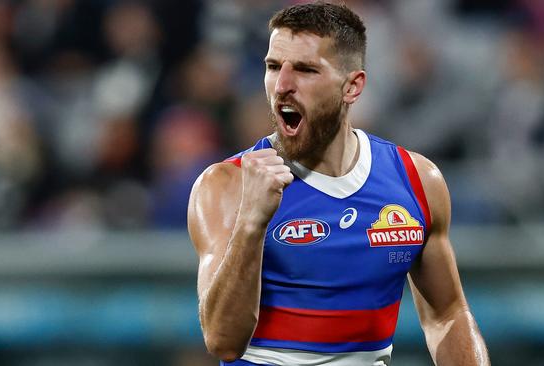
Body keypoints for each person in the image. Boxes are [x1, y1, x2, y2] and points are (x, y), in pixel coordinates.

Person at [187, 2, 489, 365]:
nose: (282, 85)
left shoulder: (416, 181)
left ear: (352, 86)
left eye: (305, 69)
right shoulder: (226, 184)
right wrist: (251, 222)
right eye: (272, 66)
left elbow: (447, 315)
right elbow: (222, 340)